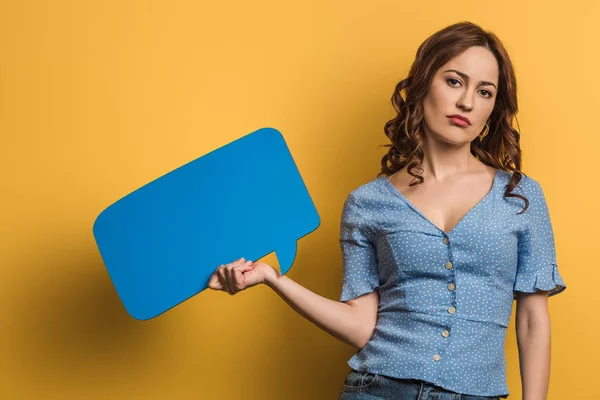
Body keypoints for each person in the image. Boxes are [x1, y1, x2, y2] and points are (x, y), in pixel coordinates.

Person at [208, 21, 567, 400]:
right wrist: (272, 278)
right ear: (422, 84)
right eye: (454, 81)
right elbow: (361, 325)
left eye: (485, 91)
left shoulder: (520, 196)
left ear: (493, 108)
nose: (467, 103)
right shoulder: (368, 203)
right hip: (377, 388)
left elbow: (532, 318)